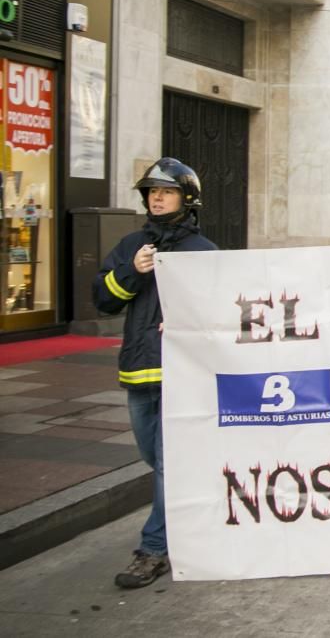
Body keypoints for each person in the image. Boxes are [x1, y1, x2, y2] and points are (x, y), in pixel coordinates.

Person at [93, 158, 217, 589]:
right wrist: (132, 270)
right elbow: (102, 300)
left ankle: (153, 550)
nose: (156, 198)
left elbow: (220, 316)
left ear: (187, 199)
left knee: (167, 462)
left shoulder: (204, 253)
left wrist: (189, 324)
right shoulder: (131, 245)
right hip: (138, 372)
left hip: (181, 376)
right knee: (155, 457)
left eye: (166, 192)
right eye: (151, 192)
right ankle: (195, 512)